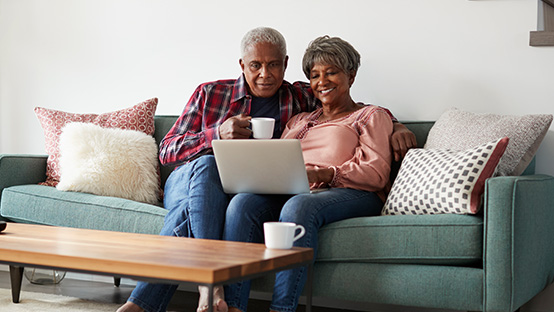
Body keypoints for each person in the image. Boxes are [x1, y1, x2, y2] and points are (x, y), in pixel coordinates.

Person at [118, 27, 416, 312]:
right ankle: (209, 282)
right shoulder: (211, 94)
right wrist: (217, 134)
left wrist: (397, 125)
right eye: (256, 65)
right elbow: (167, 151)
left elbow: (357, 110)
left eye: (273, 64)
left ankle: (184, 302)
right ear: (242, 65)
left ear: (285, 64)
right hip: (190, 178)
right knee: (209, 166)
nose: (265, 74)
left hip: (254, 188)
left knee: (233, 204)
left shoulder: (298, 99)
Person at [220, 35, 393, 312]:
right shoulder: (300, 120)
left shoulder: (370, 116)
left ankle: (282, 308)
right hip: (297, 188)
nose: (322, 81)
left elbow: (375, 173)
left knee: (299, 205)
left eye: (331, 72)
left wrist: (323, 174)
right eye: (314, 75)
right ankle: (231, 306)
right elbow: (279, 161)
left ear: (351, 75)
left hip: (352, 192)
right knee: (242, 203)